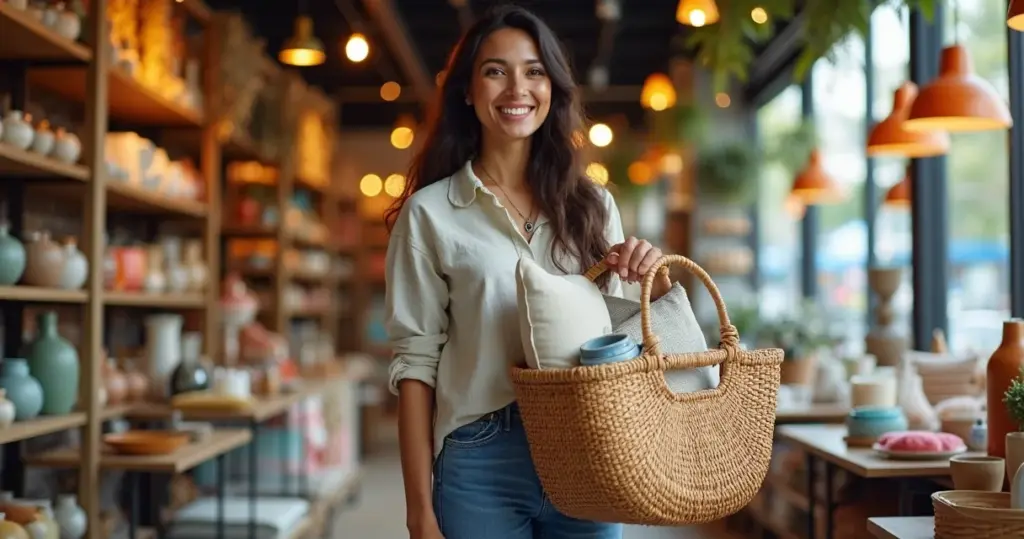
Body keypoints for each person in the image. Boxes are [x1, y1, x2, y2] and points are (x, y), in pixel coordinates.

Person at [383, 5, 673, 539]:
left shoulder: (593, 205)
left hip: (587, 448)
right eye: (495, 70)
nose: (516, 87)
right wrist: (418, 513)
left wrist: (652, 277)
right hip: (479, 456)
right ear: (467, 91)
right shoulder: (430, 215)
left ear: (553, 89)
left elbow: (619, 339)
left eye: (534, 71)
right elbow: (415, 366)